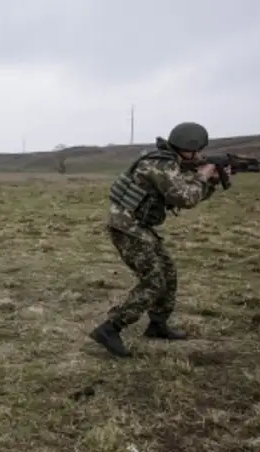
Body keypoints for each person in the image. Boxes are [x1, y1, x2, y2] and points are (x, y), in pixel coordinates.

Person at [89, 122, 229, 358]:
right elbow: (185, 198)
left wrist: (211, 181)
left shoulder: (168, 161)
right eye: (197, 150)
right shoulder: (161, 165)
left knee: (168, 271)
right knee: (154, 281)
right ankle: (110, 328)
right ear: (189, 146)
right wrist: (203, 177)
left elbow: (187, 195)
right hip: (127, 228)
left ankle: (157, 324)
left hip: (137, 226)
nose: (199, 155)